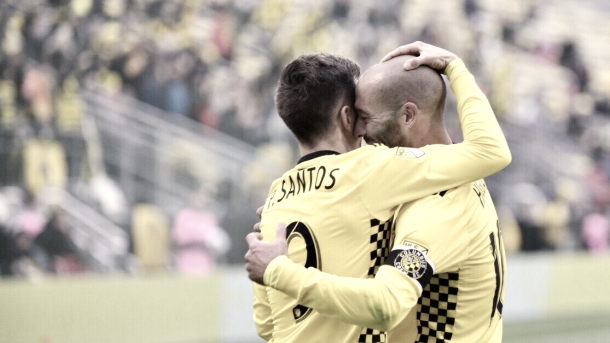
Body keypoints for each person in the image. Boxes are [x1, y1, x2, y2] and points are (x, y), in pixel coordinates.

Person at [246, 41, 511, 343]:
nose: (360, 130)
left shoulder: (276, 199)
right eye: (356, 116)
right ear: (344, 117)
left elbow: (267, 326)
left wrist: (280, 268)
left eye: (367, 116)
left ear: (409, 115)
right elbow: (488, 150)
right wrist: (455, 68)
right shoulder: (395, 174)